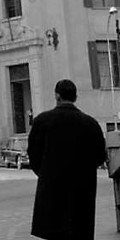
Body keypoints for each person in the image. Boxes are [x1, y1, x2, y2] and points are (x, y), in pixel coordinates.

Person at [28, 79, 105, 240]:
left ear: (57, 96)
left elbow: (34, 157)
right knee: (79, 232)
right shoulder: (91, 123)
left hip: (52, 191)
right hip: (82, 191)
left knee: (54, 233)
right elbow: (99, 156)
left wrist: (46, 173)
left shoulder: (42, 121)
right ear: (75, 97)